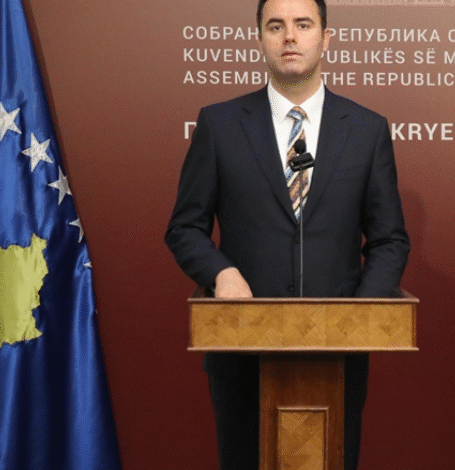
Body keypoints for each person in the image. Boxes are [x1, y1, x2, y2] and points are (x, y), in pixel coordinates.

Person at [165, 0, 410, 468]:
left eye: (303, 24)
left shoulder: (366, 129)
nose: (290, 36)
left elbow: (389, 240)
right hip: (240, 350)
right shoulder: (220, 124)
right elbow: (184, 227)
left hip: (336, 357)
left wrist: (360, 318)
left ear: (326, 38)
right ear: (260, 39)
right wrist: (222, 274)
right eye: (276, 26)